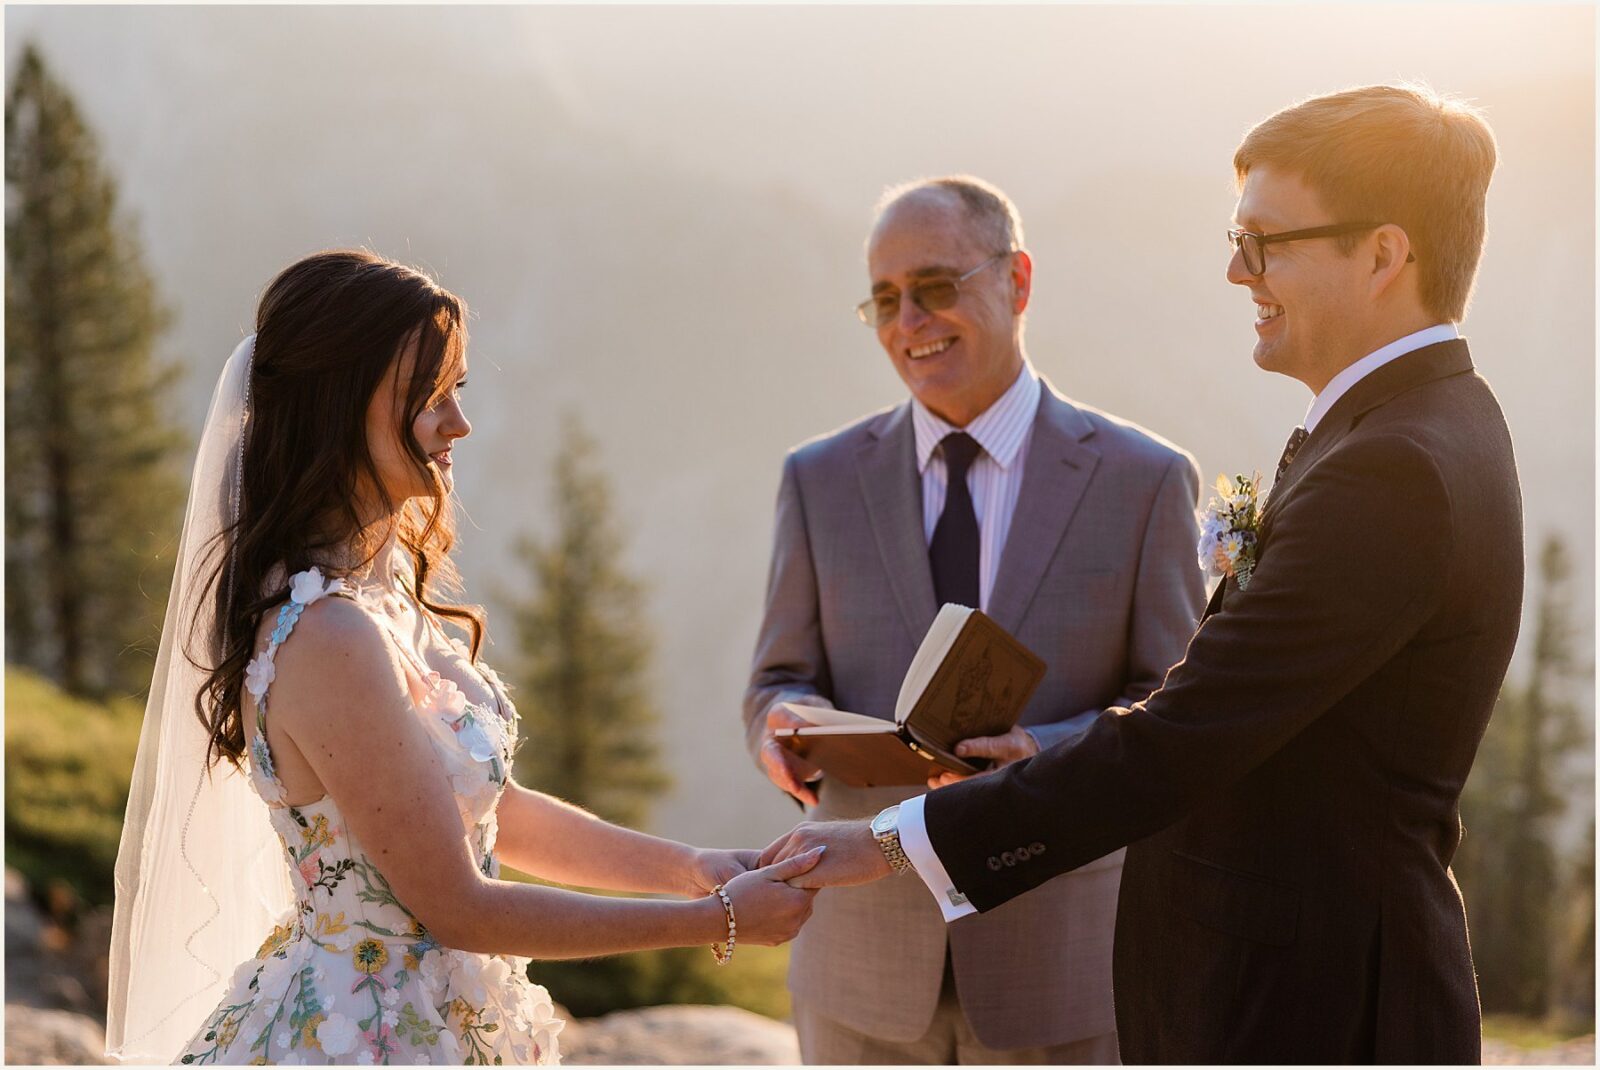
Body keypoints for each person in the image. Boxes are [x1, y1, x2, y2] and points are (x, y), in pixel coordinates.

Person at [762, 85, 1522, 1064]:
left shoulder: (1391, 469)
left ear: (1382, 253)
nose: (1234, 269)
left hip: (1315, 1004)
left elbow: (1181, 736)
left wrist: (883, 840)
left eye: (1263, 242)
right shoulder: (1425, 425)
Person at [106, 250, 824, 1065]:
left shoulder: (383, 595)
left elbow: (494, 810)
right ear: (339, 407)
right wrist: (718, 922)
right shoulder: (328, 637)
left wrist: (694, 870)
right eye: (429, 396)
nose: (459, 423)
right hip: (362, 1038)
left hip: (436, 1019)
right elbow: (458, 906)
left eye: (459, 392)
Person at [744, 175, 1204, 1063]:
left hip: (1062, 967)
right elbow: (775, 677)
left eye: (936, 287)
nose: (908, 321)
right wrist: (778, 722)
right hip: (858, 974)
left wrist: (1047, 751)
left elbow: (1179, 713)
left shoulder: (1143, 481)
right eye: (885, 300)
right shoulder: (820, 480)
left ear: (1018, 282)